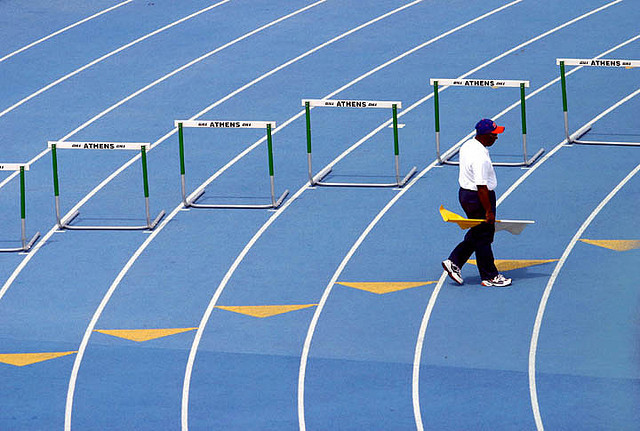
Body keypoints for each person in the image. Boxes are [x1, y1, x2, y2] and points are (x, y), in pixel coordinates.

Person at [441, 118, 512, 287]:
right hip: (478, 197)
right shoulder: (481, 158)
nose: (496, 138)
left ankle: (454, 261)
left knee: (479, 232)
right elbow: (482, 186)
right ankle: (490, 276)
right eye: (494, 135)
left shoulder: (468, 145)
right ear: (485, 135)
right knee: (484, 237)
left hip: (466, 194)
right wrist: (489, 211)